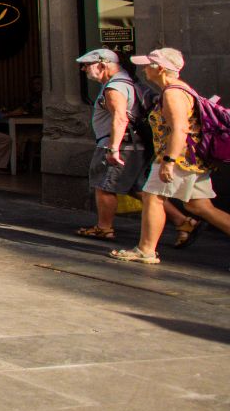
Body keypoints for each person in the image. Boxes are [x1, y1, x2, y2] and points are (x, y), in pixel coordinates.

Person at [113, 48, 230, 263]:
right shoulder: (181, 89)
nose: (145, 69)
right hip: (191, 158)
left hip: (178, 157)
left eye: (148, 65)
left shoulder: (172, 93)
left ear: (160, 68)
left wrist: (169, 161)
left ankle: (146, 250)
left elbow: (179, 129)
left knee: (152, 197)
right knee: (199, 206)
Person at [75, 48, 143, 241]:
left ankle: (104, 227)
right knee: (138, 189)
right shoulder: (126, 82)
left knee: (104, 186)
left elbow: (120, 118)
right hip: (130, 144)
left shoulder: (115, 87)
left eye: (87, 65)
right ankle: (182, 220)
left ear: (103, 65)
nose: (84, 69)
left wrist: (113, 148)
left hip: (117, 145)